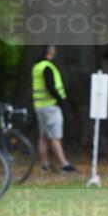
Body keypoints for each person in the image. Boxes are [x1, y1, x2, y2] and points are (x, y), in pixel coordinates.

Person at [31, 45, 76, 173]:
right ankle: (64, 164)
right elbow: (50, 86)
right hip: (51, 106)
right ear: (51, 52)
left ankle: (44, 164)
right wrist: (60, 100)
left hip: (39, 106)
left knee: (43, 136)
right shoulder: (47, 67)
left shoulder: (37, 67)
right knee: (55, 136)